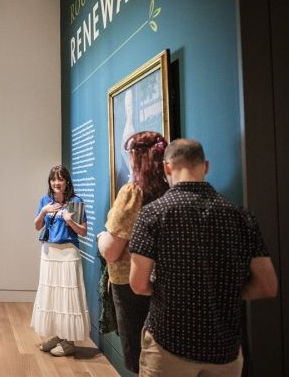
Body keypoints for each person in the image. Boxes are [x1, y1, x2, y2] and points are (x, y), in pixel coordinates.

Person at [129, 139, 278, 376]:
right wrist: (223, 291)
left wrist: (172, 292)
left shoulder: (153, 213)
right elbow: (268, 286)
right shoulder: (240, 216)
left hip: (168, 342)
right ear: (205, 166)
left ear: (167, 167)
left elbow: (137, 284)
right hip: (224, 350)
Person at [97, 131, 168, 374]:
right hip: (160, 282)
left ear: (136, 157)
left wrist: (100, 237)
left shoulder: (132, 192)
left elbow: (111, 251)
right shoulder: (168, 190)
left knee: (140, 358)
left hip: (130, 283)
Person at [31, 165, 89, 357]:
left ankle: (69, 341)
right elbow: (37, 225)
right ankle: (58, 335)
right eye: (54, 179)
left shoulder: (75, 201)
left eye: (61, 179)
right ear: (50, 182)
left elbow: (82, 231)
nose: (57, 183)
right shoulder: (45, 200)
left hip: (68, 253)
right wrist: (43, 211)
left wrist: (69, 220)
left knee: (67, 297)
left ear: (67, 182)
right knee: (53, 295)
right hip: (49, 252)